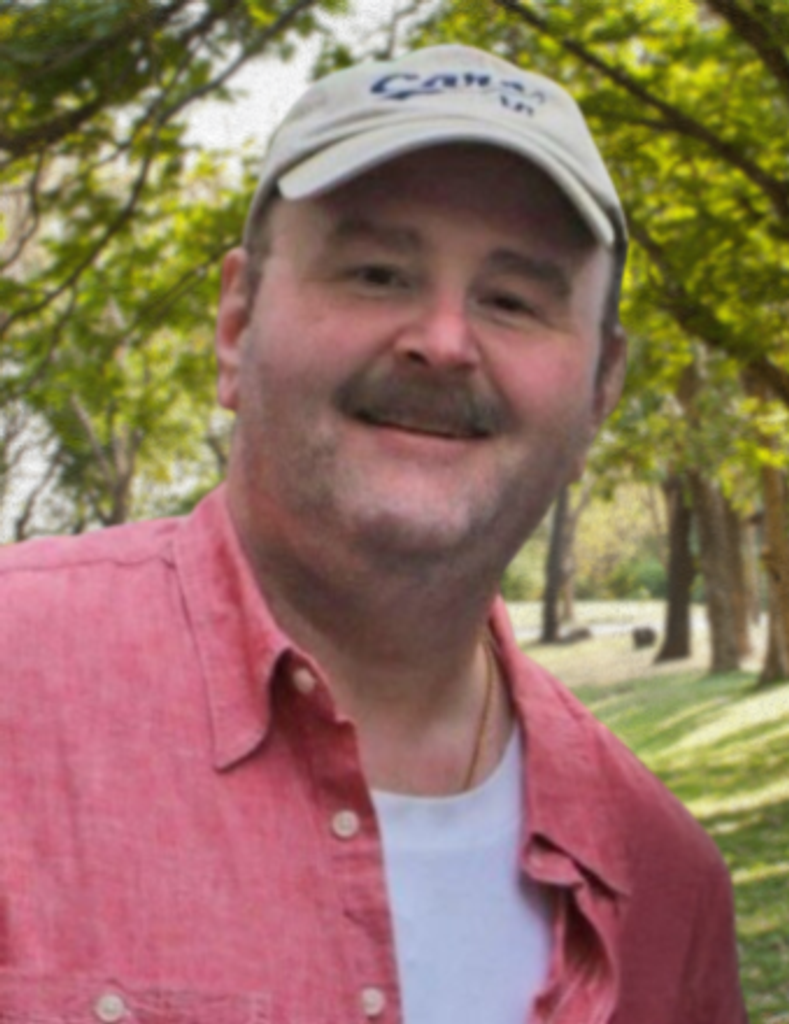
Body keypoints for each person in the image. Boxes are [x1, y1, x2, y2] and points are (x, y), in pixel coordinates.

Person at [0, 43, 747, 1024]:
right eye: (377, 273)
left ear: (601, 391)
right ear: (236, 324)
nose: (442, 341)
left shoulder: (667, 888)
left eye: (512, 300)